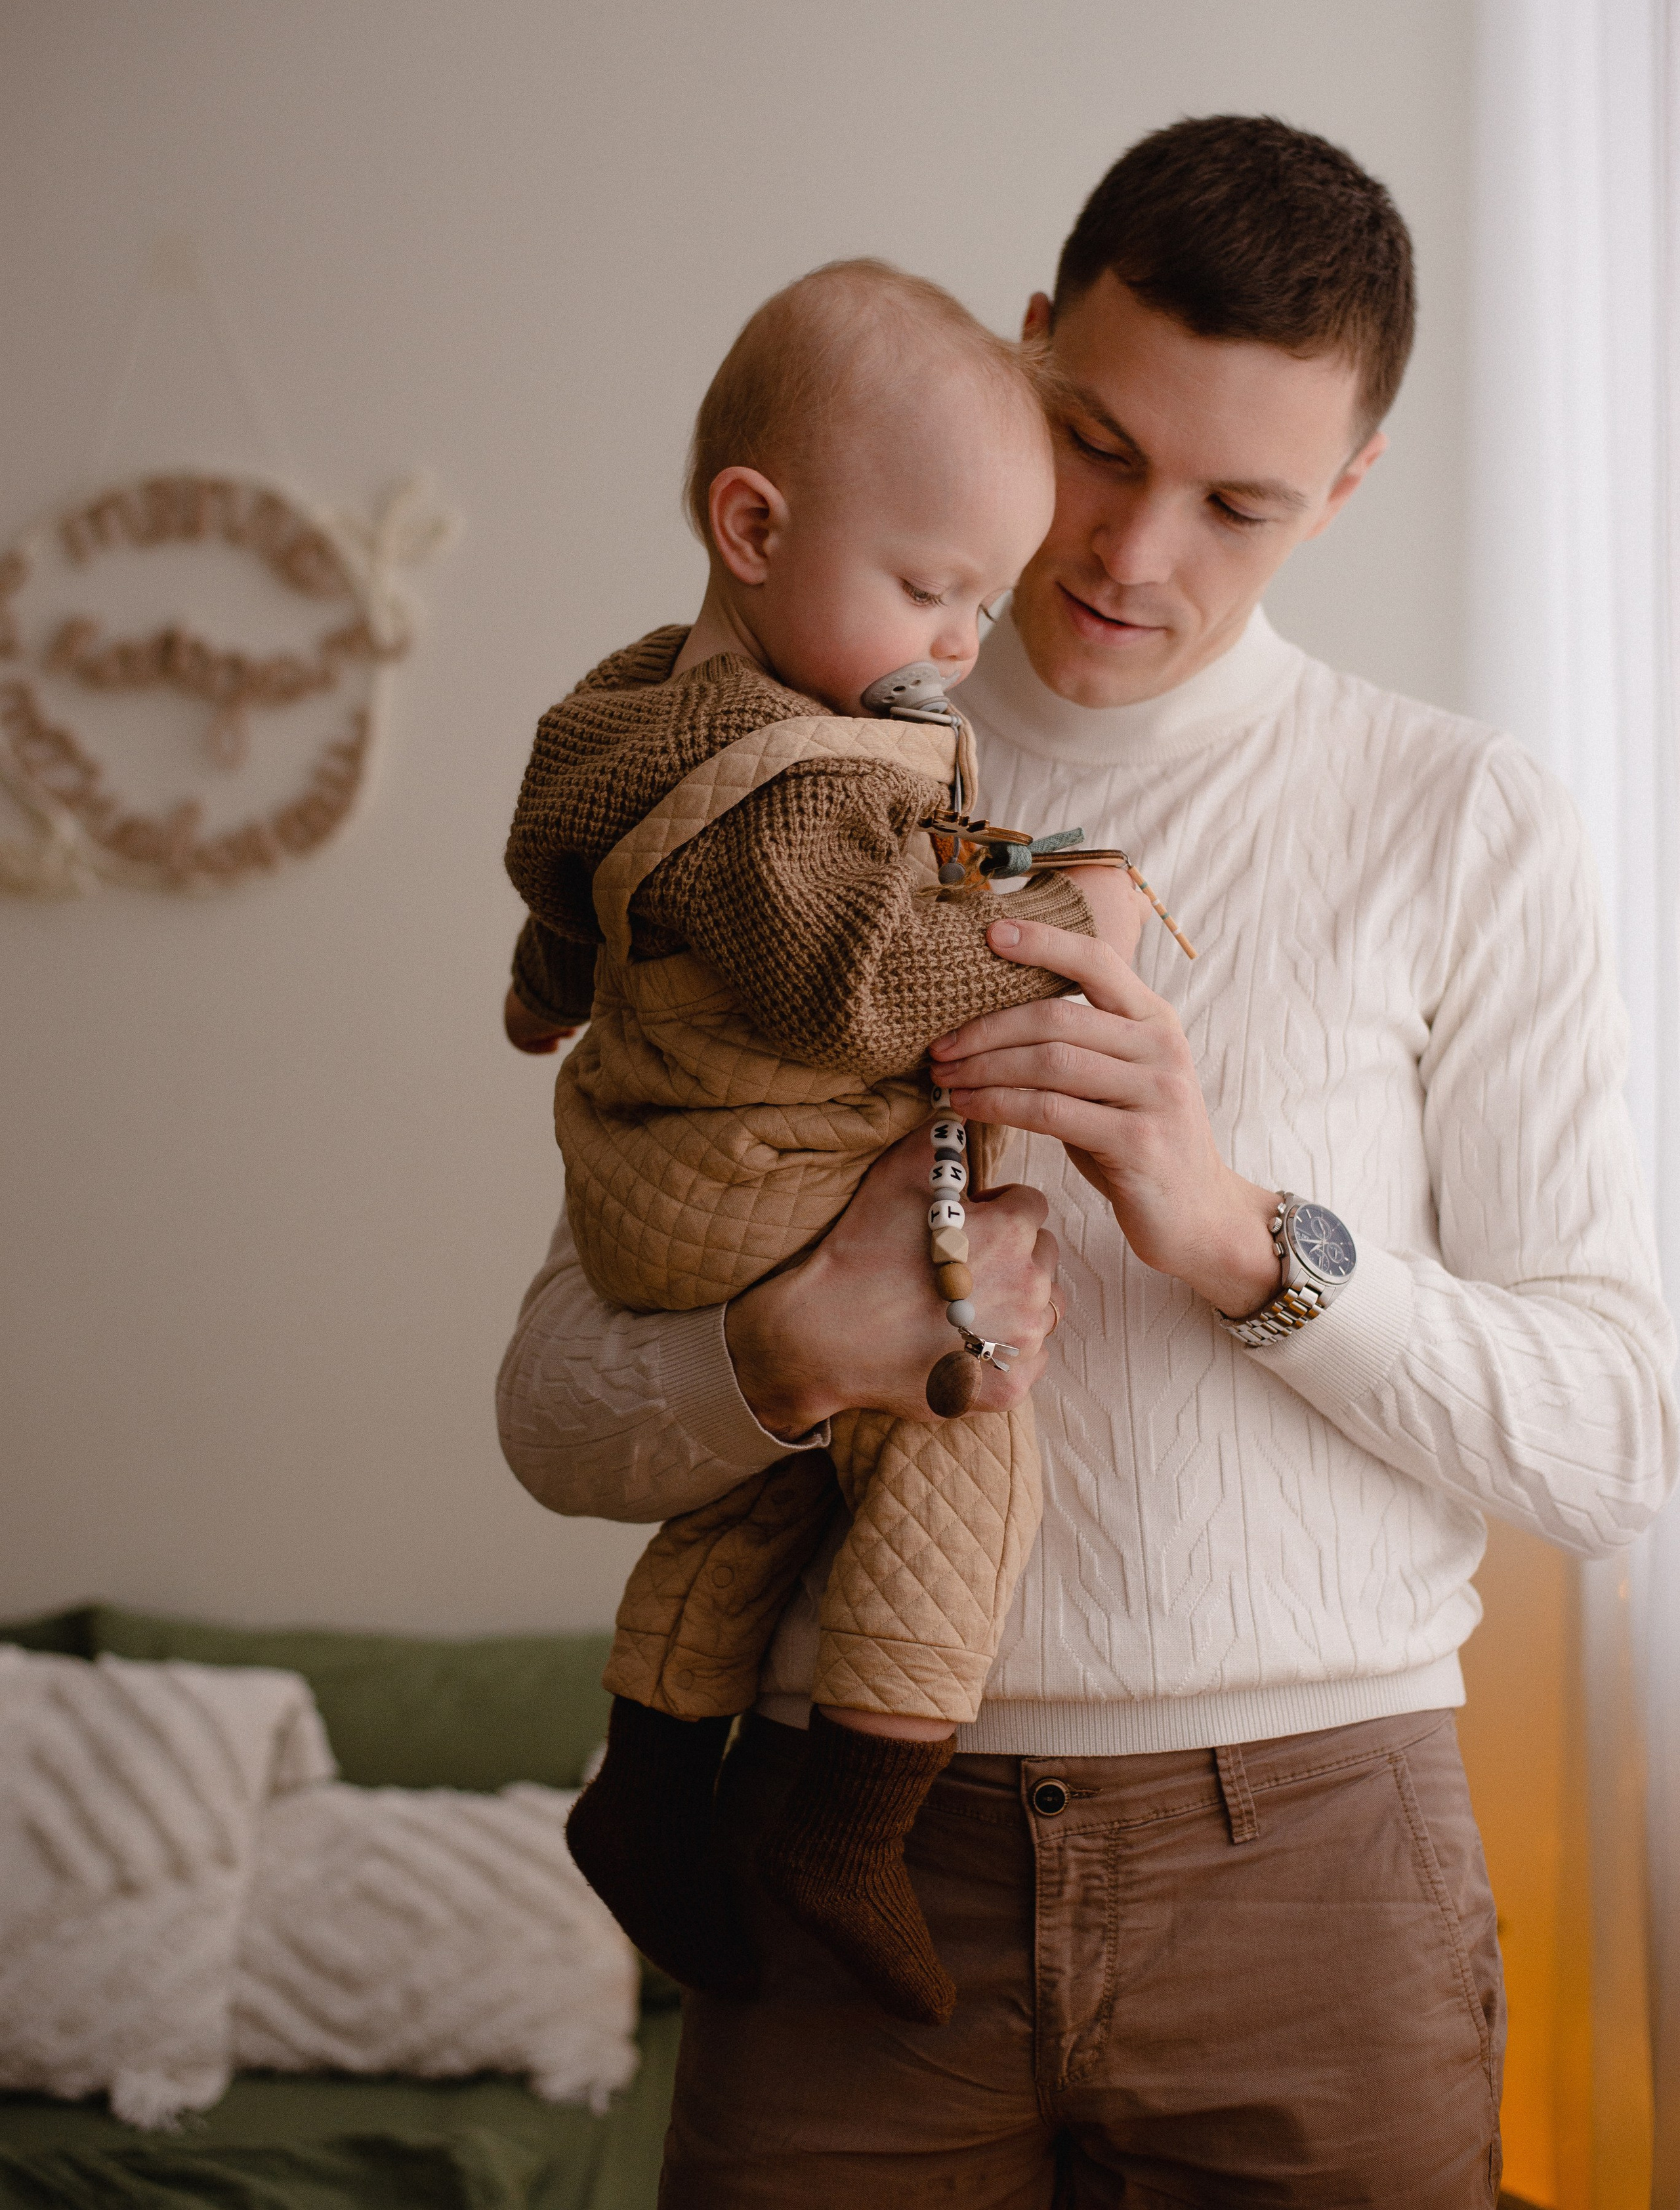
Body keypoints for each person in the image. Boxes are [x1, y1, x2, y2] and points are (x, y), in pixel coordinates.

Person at [497, 116, 1679, 2208]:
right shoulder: (783, 744)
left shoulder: (1464, 815)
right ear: (1030, 351)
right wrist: (788, 1351)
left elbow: (1616, 1443)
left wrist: (1238, 1237)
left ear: (1350, 491)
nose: (1135, 555)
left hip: (1318, 1859)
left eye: (1242, 503)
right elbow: (545, 1407)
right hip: (847, 1866)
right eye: (1100, 447)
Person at [501, 259, 1145, 2026]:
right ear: (754, 524)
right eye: (934, 591)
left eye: (981, 600)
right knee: (958, 1429)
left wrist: (548, 983)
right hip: (750, 1203)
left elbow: (571, 880)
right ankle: (854, 1827)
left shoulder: (629, 710)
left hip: (653, 1175)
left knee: (781, 1472)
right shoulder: (785, 782)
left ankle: (645, 1782)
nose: (960, 644)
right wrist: (1062, 915)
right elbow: (867, 983)